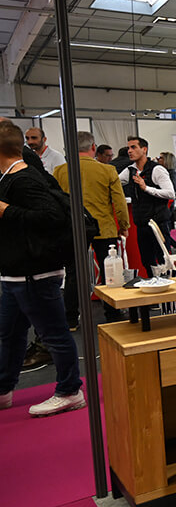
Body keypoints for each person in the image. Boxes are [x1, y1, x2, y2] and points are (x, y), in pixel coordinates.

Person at [0, 119, 85, 417]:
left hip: (35, 274)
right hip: (15, 274)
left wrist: (7, 211)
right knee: (9, 335)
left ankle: (70, 390)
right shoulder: (11, 177)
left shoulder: (25, 179)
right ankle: (4, 389)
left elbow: (51, 217)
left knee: (53, 335)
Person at [54, 131, 131, 327]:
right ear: (93, 147)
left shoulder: (60, 171)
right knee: (109, 271)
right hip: (103, 228)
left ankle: (71, 318)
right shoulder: (107, 170)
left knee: (73, 273)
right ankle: (112, 313)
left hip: (73, 228)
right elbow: (119, 202)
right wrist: (124, 226)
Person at [119, 136, 175, 277]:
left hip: (158, 223)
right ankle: (153, 285)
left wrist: (146, 188)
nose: (129, 151)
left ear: (144, 149)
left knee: (163, 261)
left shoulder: (157, 170)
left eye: (133, 147)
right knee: (147, 261)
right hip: (141, 223)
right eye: (128, 148)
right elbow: (115, 182)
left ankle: (168, 288)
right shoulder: (130, 170)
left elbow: (170, 193)